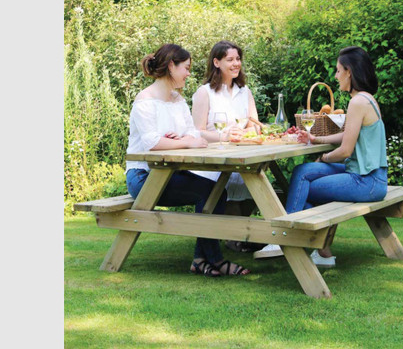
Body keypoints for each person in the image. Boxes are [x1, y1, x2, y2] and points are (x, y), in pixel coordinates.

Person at [125, 43, 250, 277]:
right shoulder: (144, 101)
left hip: (172, 174)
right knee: (209, 192)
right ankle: (214, 260)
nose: (189, 73)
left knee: (216, 191)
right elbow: (153, 142)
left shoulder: (177, 100)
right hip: (144, 178)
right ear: (171, 66)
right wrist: (182, 141)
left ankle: (202, 259)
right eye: (186, 68)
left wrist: (180, 138)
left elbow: (193, 132)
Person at [287, 46, 388, 268]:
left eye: (338, 70)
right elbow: (347, 134)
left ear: (349, 71)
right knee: (302, 172)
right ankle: (322, 253)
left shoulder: (358, 102)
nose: (336, 76)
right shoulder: (366, 99)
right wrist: (316, 139)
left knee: (304, 188)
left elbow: (345, 151)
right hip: (366, 176)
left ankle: (286, 237)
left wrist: (323, 158)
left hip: (366, 181)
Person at [191, 40, 281, 259]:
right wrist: (224, 135)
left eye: (238, 59)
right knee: (231, 184)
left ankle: (238, 236)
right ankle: (234, 237)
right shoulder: (204, 93)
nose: (236, 64)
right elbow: (196, 132)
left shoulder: (244, 91)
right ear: (216, 62)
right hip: (212, 159)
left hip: (242, 156)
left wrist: (258, 132)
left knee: (257, 180)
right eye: (230, 59)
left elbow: (254, 125)